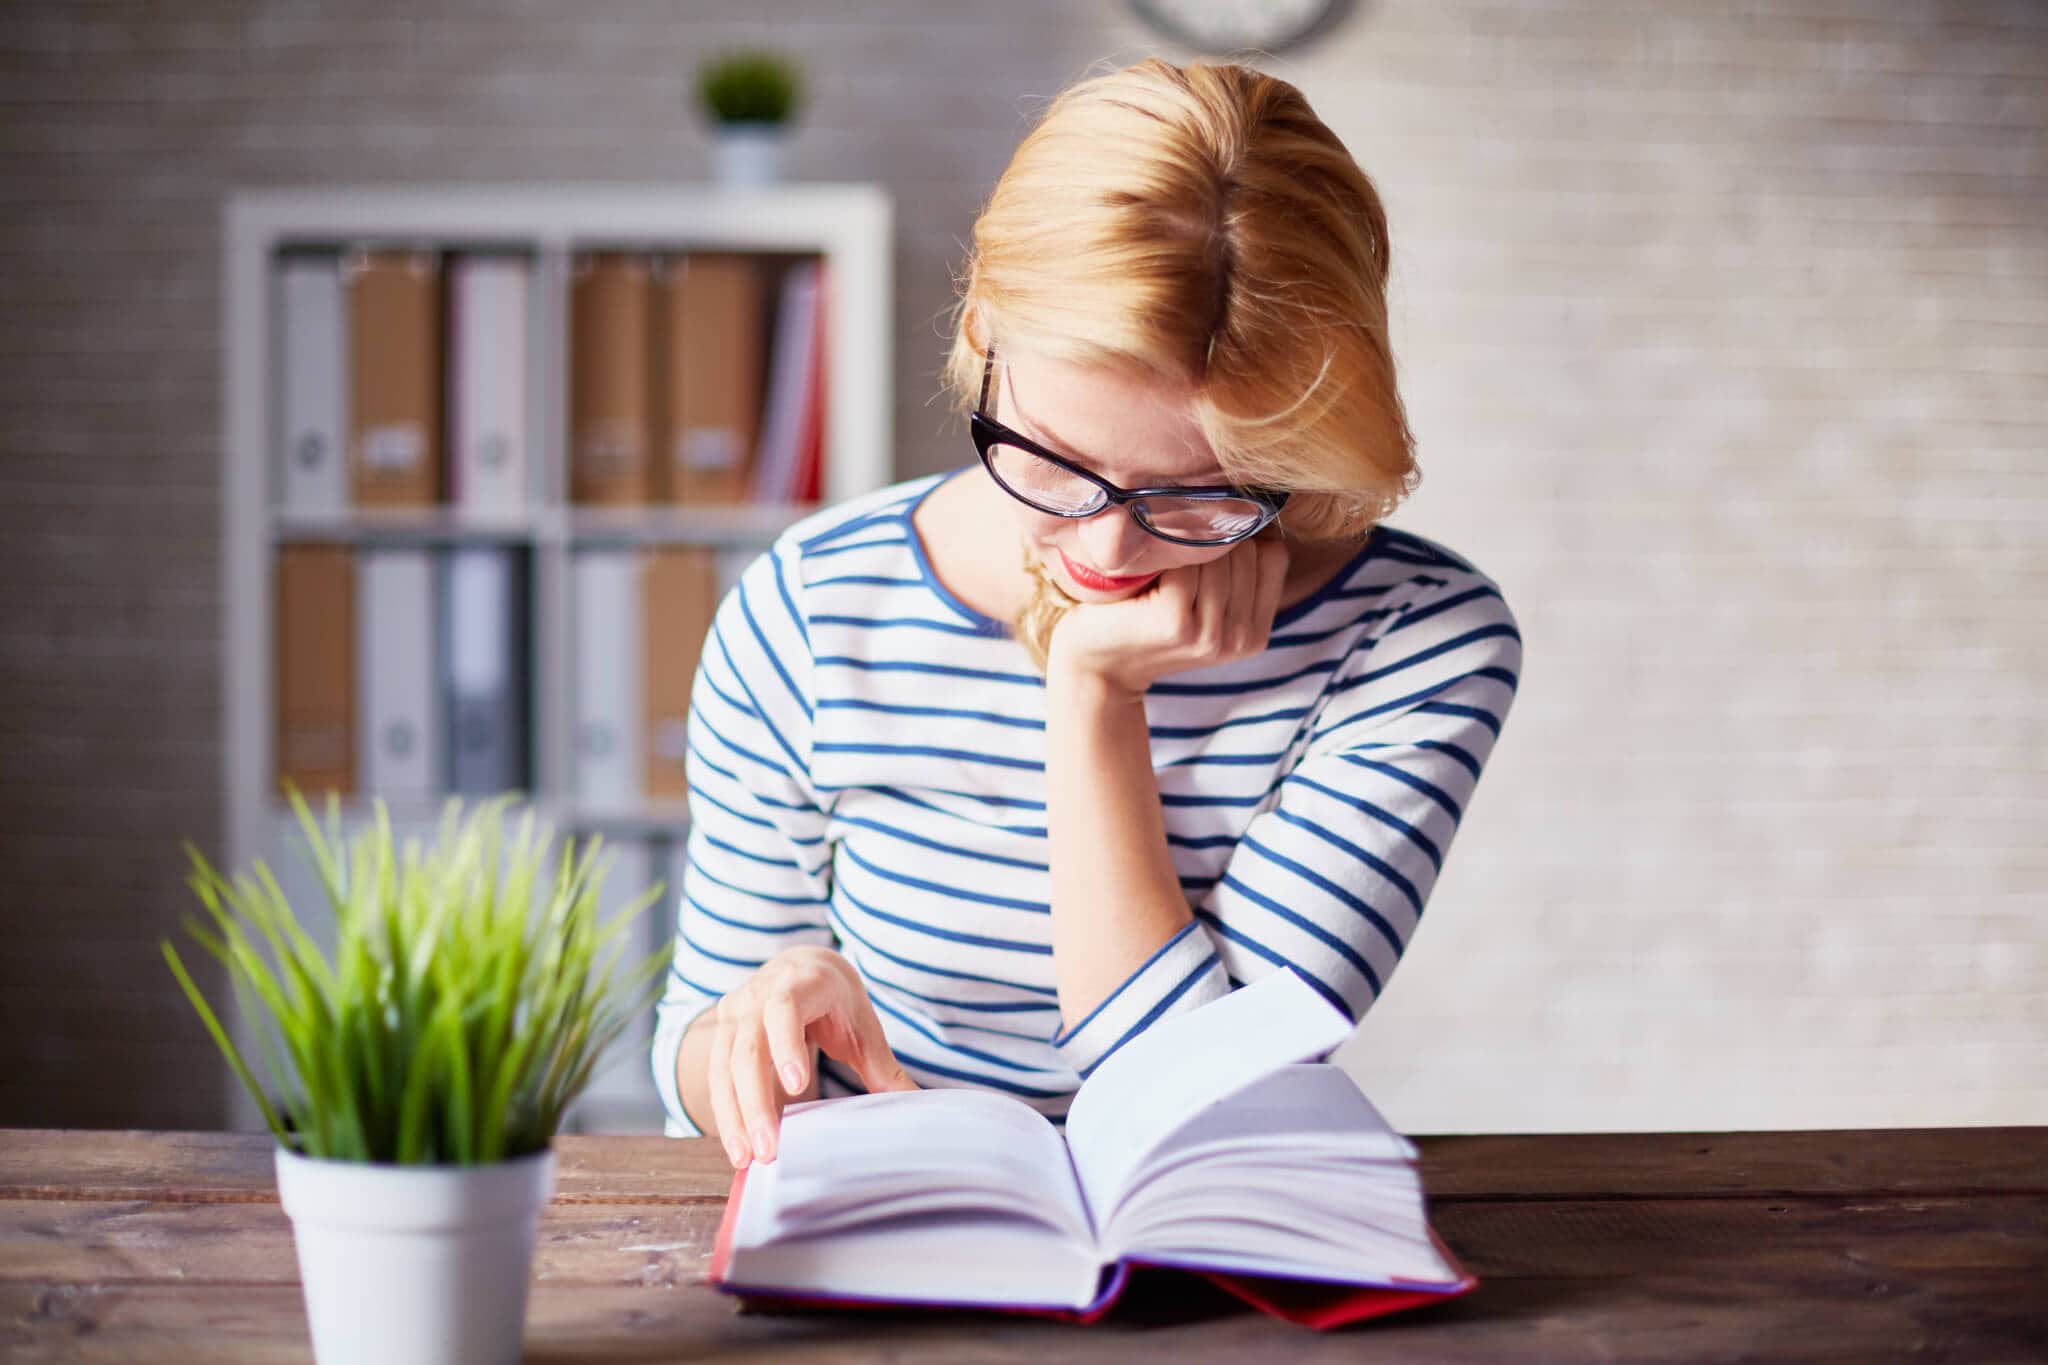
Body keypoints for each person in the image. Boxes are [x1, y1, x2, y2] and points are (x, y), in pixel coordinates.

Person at [650, 56, 1522, 1171]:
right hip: (890, 1236)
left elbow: (1201, 1101)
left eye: (1200, 489)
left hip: (1202, 1246)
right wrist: (751, 1027)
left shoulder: (1418, 645)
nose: (1107, 548)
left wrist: (1093, 692)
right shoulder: (815, 607)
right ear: (981, 340)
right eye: (1054, 462)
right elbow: (687, 1056)